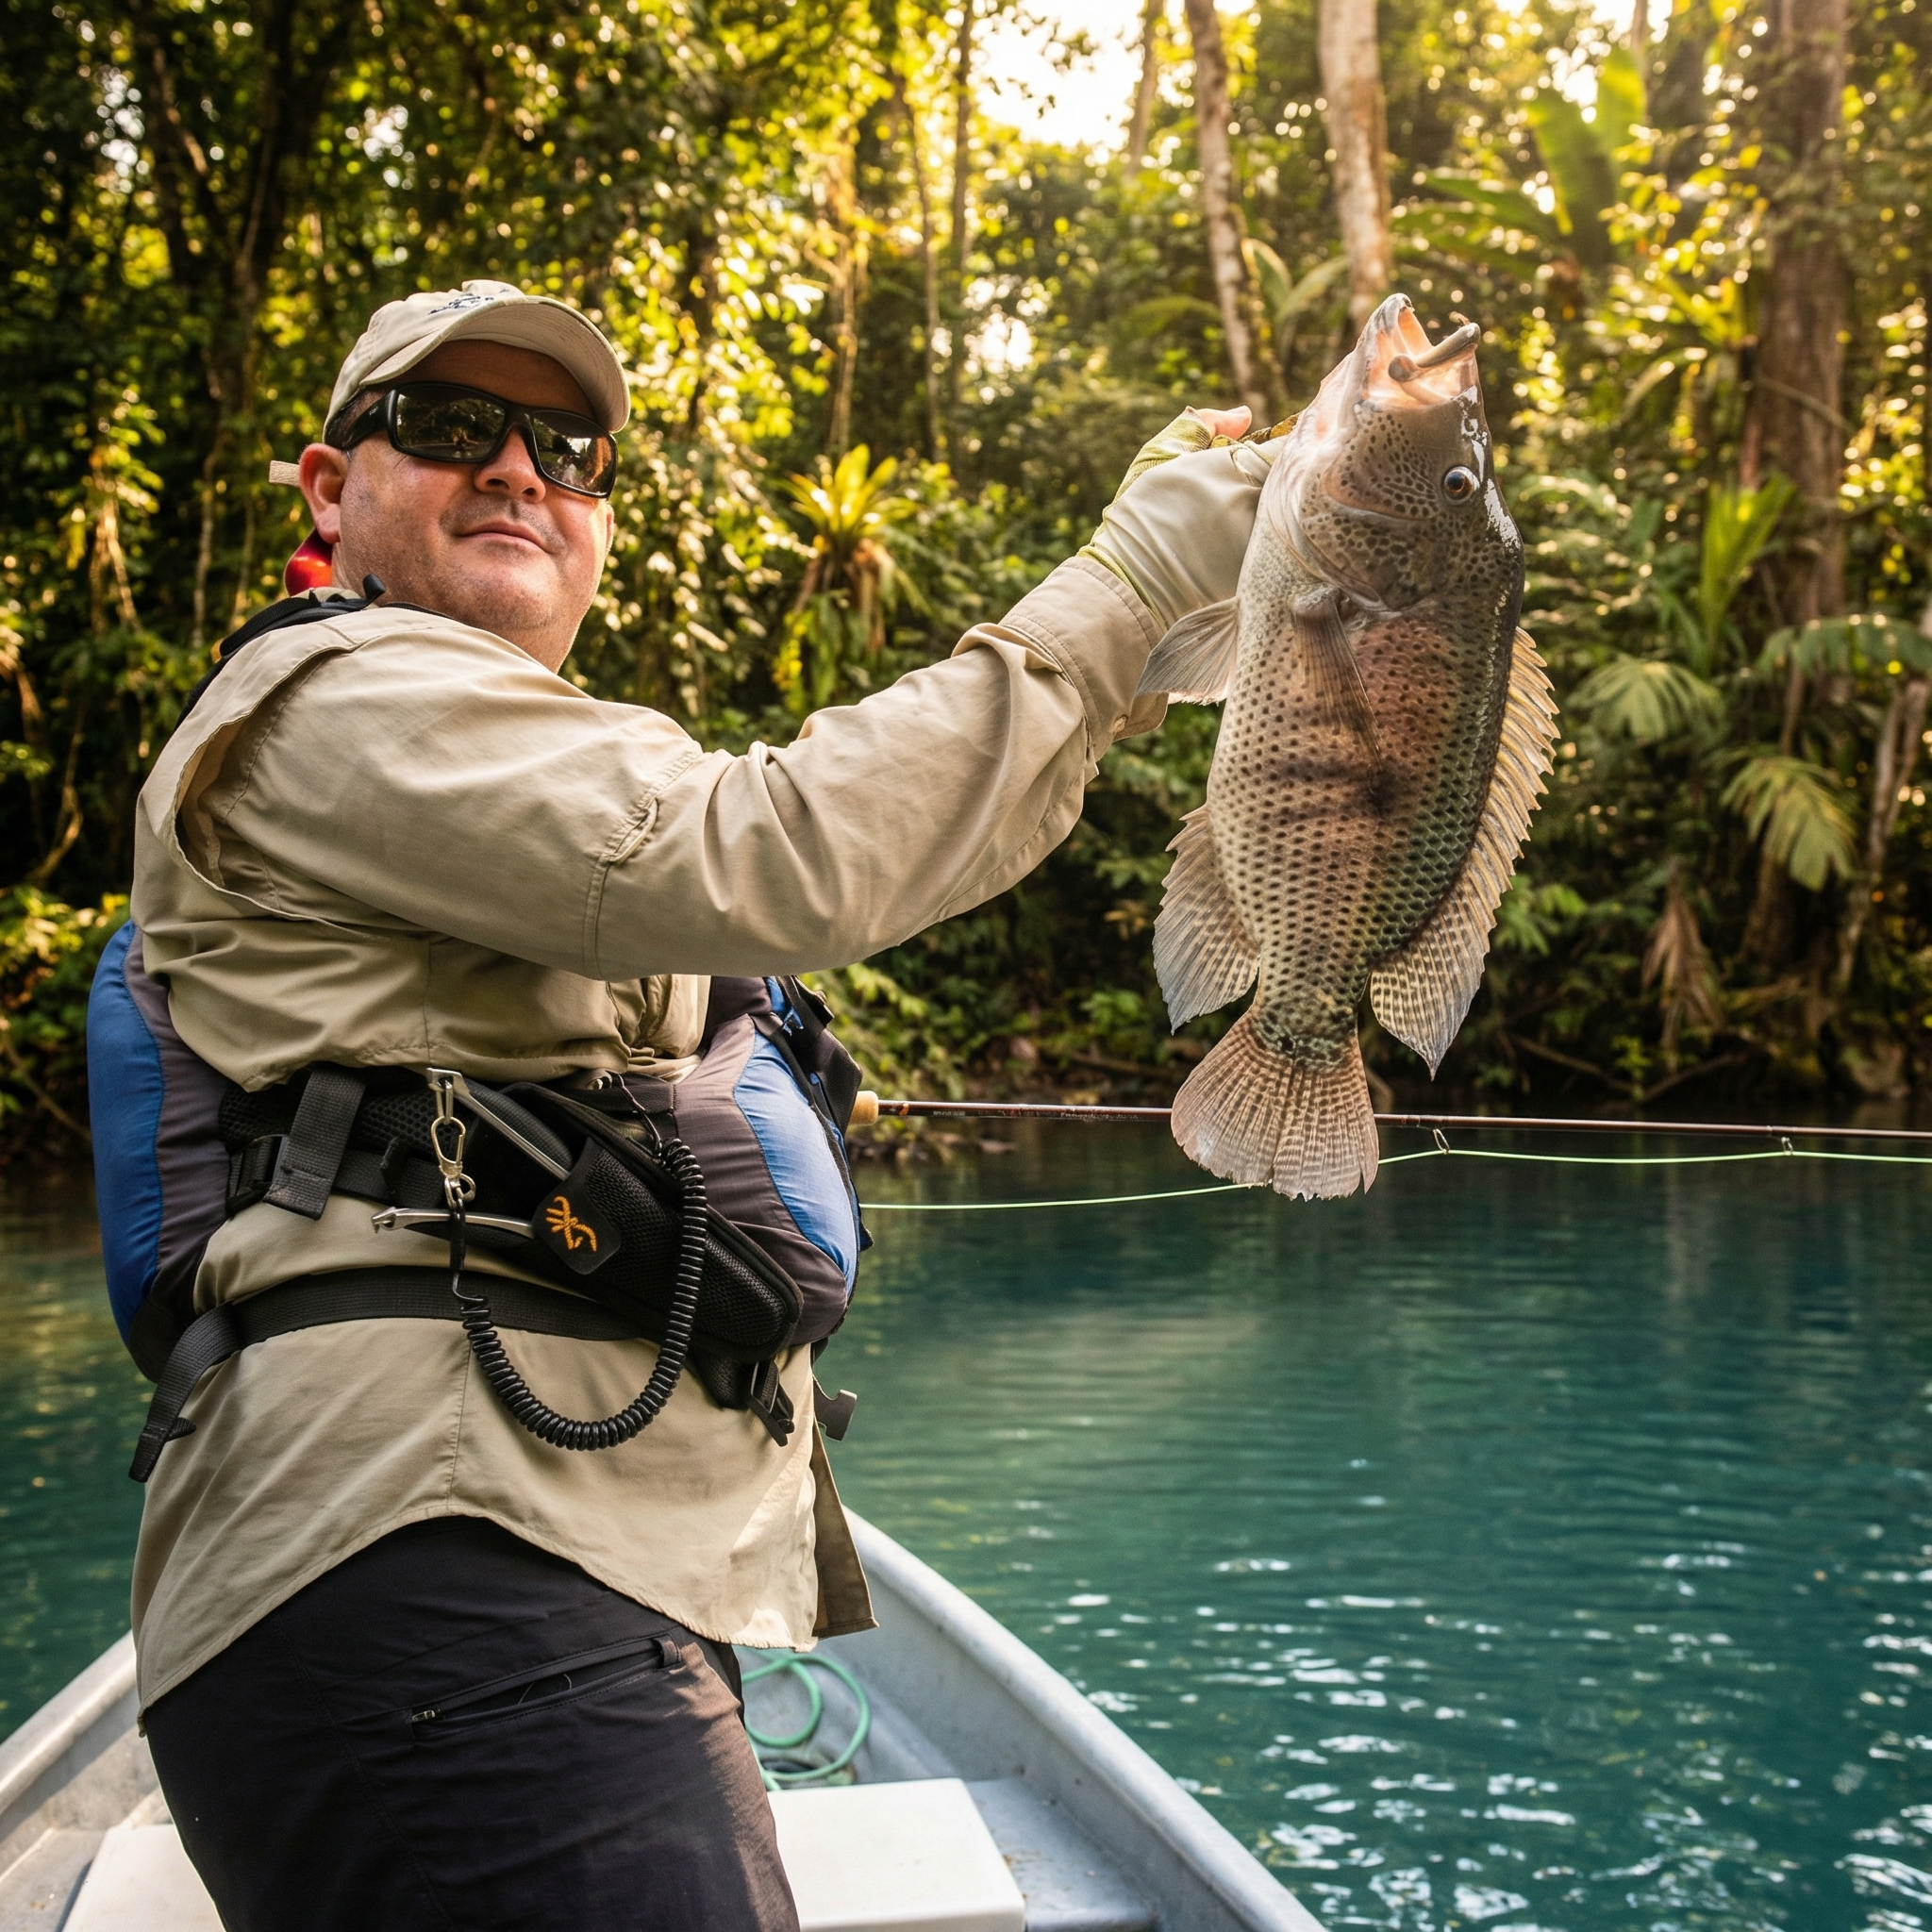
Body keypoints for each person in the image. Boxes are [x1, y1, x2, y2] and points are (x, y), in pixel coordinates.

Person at [117, 278, 1274, 1929]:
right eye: (451, 428)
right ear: (329, 487)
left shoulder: (520, 756)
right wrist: (1128, 578)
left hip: (527, 1561)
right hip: (438, 1567)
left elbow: (850, 845)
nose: (521, 471)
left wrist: (1130, 644)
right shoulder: (339, 699)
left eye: (567, 447)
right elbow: (777, 850)